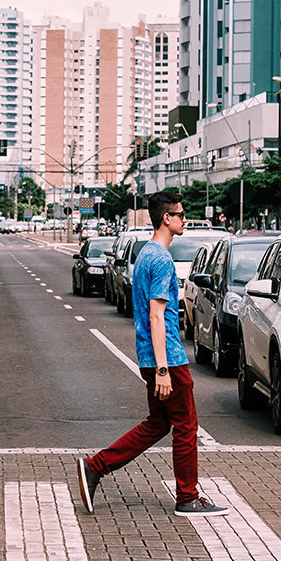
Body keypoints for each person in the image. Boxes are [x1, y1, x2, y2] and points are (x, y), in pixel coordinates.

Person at [76, 192, 228, 516]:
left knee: (158, 424)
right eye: (181, 214)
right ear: (166, 219)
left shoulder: (145, 254)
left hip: (150, 355)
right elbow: (157, 315)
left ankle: (95, 467)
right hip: (167, 358)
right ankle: (188, 496)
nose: (185, 219)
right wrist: (163, 369)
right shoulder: (160, 259)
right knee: (186, 427)